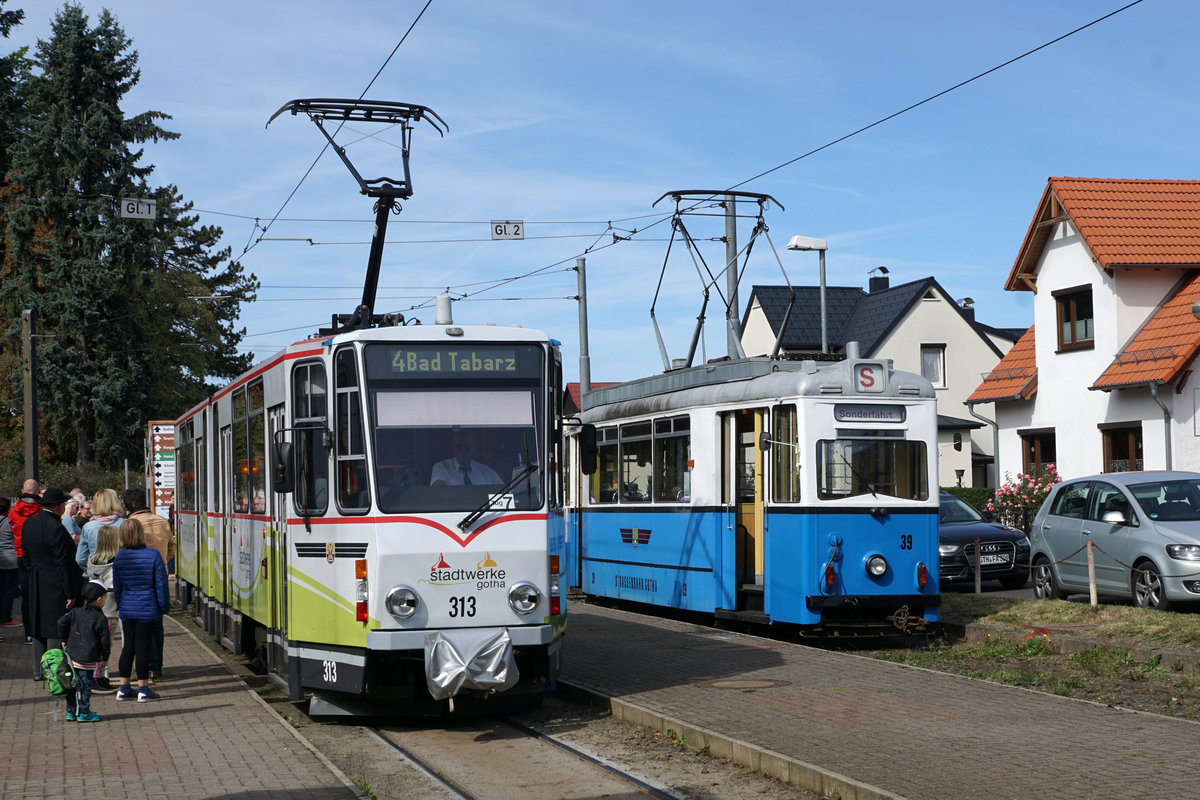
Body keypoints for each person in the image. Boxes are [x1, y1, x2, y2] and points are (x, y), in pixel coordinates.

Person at [21, 487, 85, 681]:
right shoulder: (56, 528)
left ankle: (38, 671)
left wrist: (32, 575)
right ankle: (54, 671)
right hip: (55, 583)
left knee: (37, 627)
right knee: (55, 628)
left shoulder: (29, 523)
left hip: (35, 580)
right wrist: (69, 592)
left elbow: (26, 555)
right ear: (58, 506)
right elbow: (62, 562)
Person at [112, 518, 168, 702]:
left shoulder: (119, 557)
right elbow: (161, 584)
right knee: (143, 647)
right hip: (148, 607)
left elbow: (118, 587)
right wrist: (163, 606)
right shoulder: (153, 555)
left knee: (128, 647)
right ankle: (143, 689)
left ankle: (124, 687)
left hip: (127, 607)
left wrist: (122, 605)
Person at [121, 488, 174, 679]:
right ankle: (156, 665)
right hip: (159, 573)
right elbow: (172, 546)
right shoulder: (161, 520)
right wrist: (164, 561)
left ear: (126, 506)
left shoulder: (129, 524)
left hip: (137, 575)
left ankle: (145, 666)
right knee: (157, 623)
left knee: (140, 626)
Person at [56, 581, 111, 722]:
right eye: (104, 598)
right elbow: (105, 641)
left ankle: (70, 711)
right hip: (88, 657)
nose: (105, 601)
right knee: (85, 686)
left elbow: (61, 622)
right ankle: (84, 712)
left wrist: (64, 638)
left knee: (71, 684)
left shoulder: (75, 612)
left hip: (71, 655)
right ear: (99, 600)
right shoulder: (100, 618)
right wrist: (105, 657)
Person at [85, 525, 121, 690]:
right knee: (106, 643)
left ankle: (98, 674)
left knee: (96, 641)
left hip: (94, 604)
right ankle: (97, 676)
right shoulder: (117, 559)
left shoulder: (92, 558)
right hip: (111, 605)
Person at [9, 479, 42, 644]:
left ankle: (29, 632)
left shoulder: (14, 512)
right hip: (39, 555)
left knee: (27, 595)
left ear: (23, 490)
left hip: (21, 555)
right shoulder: (41, 510)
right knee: (42, 593)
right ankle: (41, 629)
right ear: (37, 492)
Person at [76, 488, 124, 571]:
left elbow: (80, 559)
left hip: (97, 574)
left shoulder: (88, 527)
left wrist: (90, 570)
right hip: (121, 572)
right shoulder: (125, 524)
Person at [430, 431, 502, 486]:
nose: (462, 451)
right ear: (453, 448)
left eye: (467, 447)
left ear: (474, 448)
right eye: (459, 447)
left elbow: (504, 495)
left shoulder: (487, 473)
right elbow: (439, 494)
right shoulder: (441, 468)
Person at [0, 497, 19, 628]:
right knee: (8, 591)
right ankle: (5, 617)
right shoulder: (10, 522)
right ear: (8, 508)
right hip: (10, 560)